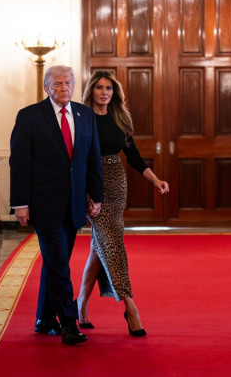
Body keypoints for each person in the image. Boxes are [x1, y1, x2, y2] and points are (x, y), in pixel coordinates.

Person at [10, 65, 104, 345]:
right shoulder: (30, 116)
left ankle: (43, 318)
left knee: (54, 263)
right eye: (59, 84)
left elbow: (91, 158)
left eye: (69, 83)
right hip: (43, 204)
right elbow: (20, 163)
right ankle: (69, 324)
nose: (65, 88)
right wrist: (20, 204)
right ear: (47, 87)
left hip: (74, 205)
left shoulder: (84, 115)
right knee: (60, 264)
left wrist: (95, 196)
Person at [75, 70, 169, 337]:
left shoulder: (120, 118)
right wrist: (86, 193)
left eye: (109, 88)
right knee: (113, 243)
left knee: (100, 245)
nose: (104, 92)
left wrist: (156, 181)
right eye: (99, 87)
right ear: (91, 90)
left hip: (116, 183)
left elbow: (134, 157)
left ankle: (80, 305)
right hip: (93, 187)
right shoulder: (82, 118)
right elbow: (78, 157)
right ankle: (130, 307)